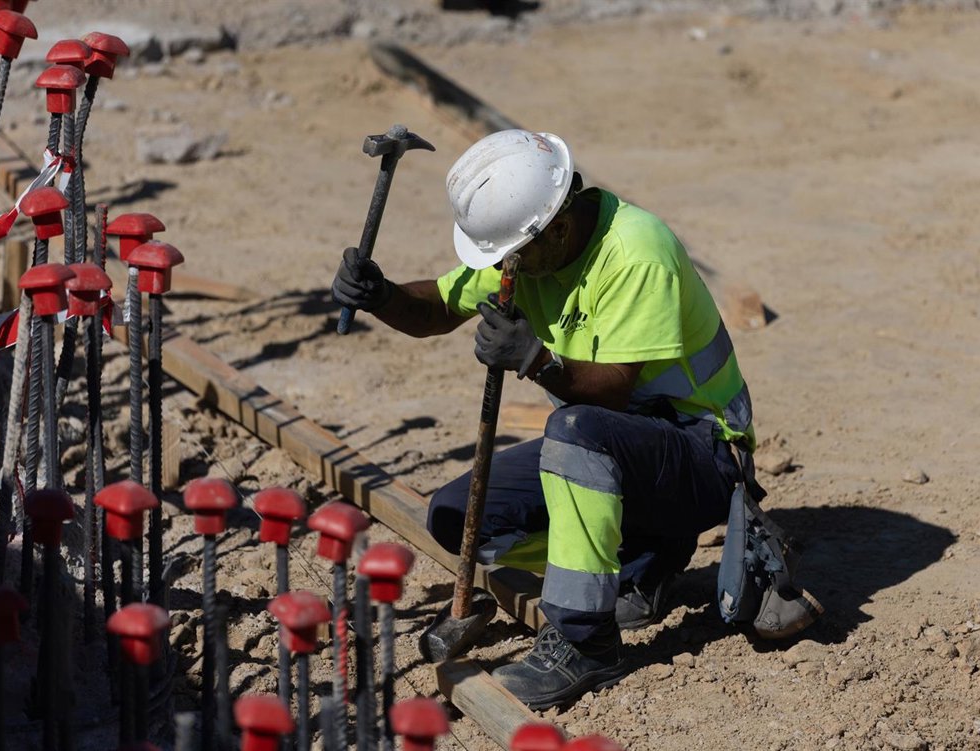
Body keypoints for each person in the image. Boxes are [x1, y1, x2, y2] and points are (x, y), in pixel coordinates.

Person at [331, 129, 815, 709]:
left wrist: (535, 360)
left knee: (576, 429)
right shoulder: (529, 251)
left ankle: (586, 643)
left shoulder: (635, 252)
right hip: (606, 456)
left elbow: (612, 393)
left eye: (512, 254)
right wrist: (382, 295)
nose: (503, 267)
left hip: (702, 457)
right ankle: (640, 562)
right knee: (459, 519)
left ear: (557, 228)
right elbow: (436, 307)